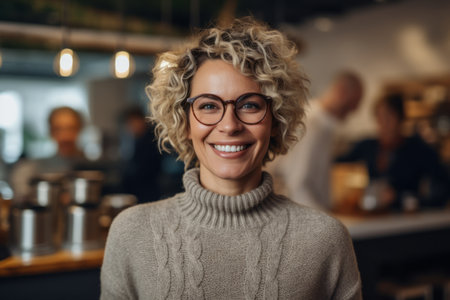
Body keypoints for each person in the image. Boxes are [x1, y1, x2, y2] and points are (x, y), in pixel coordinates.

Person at [101, 17, 362, 299]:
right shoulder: (130, 232)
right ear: (185, 122)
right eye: (209, 106)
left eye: (249, 105)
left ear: (276, 119)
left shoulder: (327, 239)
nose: (229, 125)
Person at [269, 71, 363, 210]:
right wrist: (325, 222)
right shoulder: (312, 124)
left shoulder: (325, 126)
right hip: (306, 218)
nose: (355, 110)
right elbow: (297, 183)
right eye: (353, 103)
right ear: (341, 92)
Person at [337, 94, 449, 210]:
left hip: (406, 218)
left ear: (400, 119)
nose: (384, 123)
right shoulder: (368, 146)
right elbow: (338, 159)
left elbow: (442, 187)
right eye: (380, 117)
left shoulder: (417, 149)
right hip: (377, 214)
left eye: (389, 116)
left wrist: (402, 198)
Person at [10, 106, 87, 201]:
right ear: (50, 132)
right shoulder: (32, 169)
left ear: (80, 129)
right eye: (58, 129)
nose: (65, 136)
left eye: (71, 128)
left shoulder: (94, 169)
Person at [119, 106, 163, 203]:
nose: (130, 127)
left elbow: (145, 169)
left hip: (147, 190)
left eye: (131, 122)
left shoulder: (151, 139)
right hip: (138, 190)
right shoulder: (136, 139)